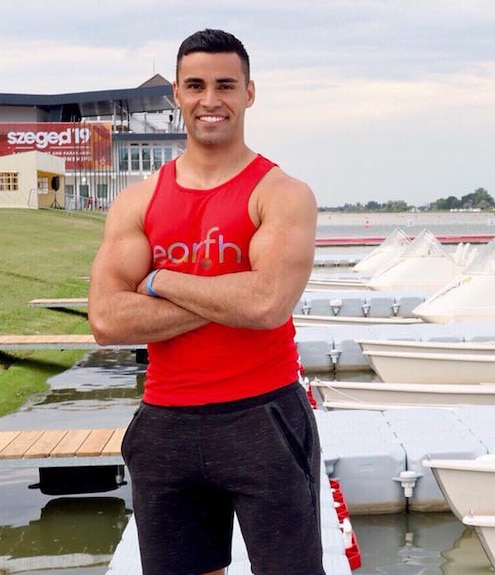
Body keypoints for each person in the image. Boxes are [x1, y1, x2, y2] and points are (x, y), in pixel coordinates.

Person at [88, 29, 324, 575]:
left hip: (262, 418)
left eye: (225, 85)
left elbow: (268, 305)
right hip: (165, 423)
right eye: (195, 85)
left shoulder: (281, 193)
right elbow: (105, 319)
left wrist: (163, 279)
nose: (209, 100)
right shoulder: (139, 201)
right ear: (176, 93)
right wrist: (230, 292)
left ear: (249, 93)